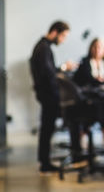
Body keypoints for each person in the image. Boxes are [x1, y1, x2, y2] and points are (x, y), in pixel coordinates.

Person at [30, 21, 70, 173]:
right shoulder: (43, 48)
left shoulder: (42, 47)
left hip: (46, 93)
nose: (63, 40)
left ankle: (44, 161)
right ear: (55, 32)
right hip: (48, 94)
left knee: (47, 127)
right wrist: (63, 69)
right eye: (63, 36)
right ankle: (45, 164)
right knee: (47, 128)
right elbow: (49, 73)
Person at [73, 38, 104, 147]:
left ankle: (85, 133)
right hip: (85, 96)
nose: (97, 50)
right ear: (91, 48)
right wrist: (97, 80)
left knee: (101, 102)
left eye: (100, 47)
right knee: (99, 104)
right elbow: (85, 79)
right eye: (95, 47)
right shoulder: (85, 62)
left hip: (100, 95)